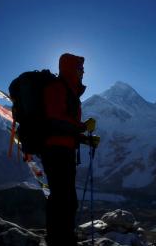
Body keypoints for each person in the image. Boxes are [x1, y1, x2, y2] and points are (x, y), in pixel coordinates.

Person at [40, 53, 98, 245]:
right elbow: (55, 121)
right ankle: (59, 239)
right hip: (55, 152)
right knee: (61, 198)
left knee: (66, 198)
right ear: (71, 69)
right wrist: (82, 127)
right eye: (80, 68)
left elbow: (64, 127)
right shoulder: (57, 88)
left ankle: (63, 237)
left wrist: (84, 139)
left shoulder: (69, 91)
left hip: (64, 151)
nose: (83, 72)